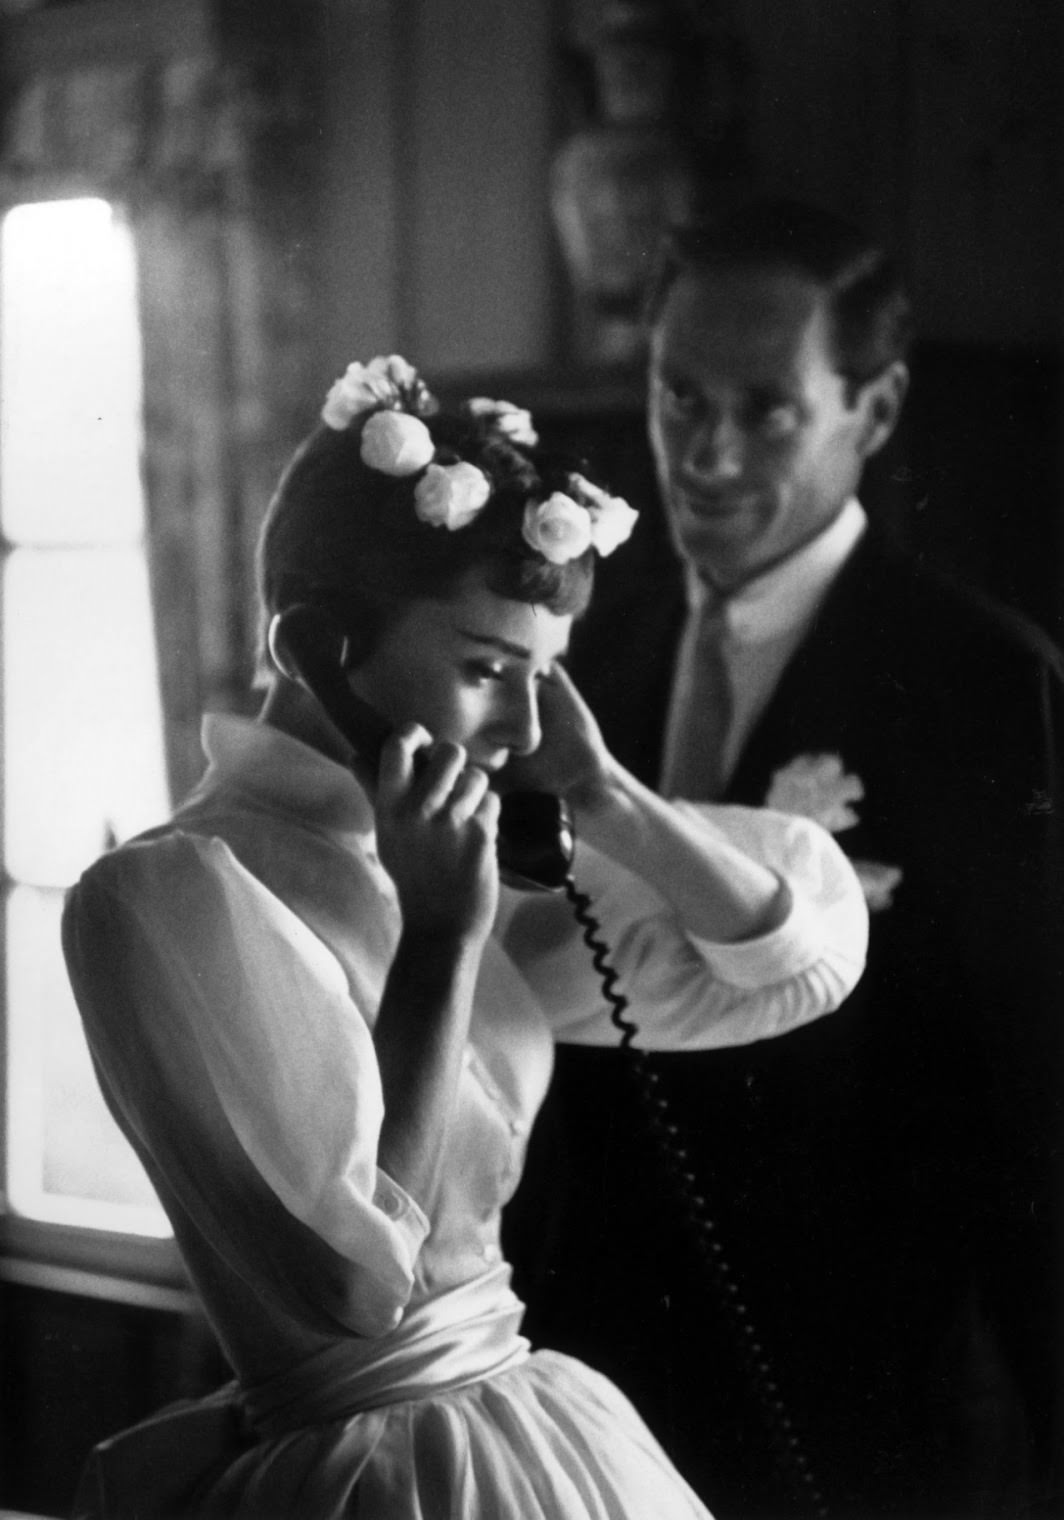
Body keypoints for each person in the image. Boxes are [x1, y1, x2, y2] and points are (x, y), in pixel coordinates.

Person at [61, 353, 869, 1520]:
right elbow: (352, 1283)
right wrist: (439, 940)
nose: (525, 725)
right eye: (487, 668)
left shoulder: (469, 858)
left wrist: (598, 793)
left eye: (545, 676)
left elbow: (795, 968)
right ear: (317, 649)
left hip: (540, 1430)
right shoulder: (171, 895)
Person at [505, 199, 1064, 1520]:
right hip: (597, 1373)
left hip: (872, 1397)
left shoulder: (987, 685)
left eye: (767, 412)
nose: (706, 454)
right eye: (679, 398)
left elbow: (1035, 1103)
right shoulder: (578, 647)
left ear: (872, 413)